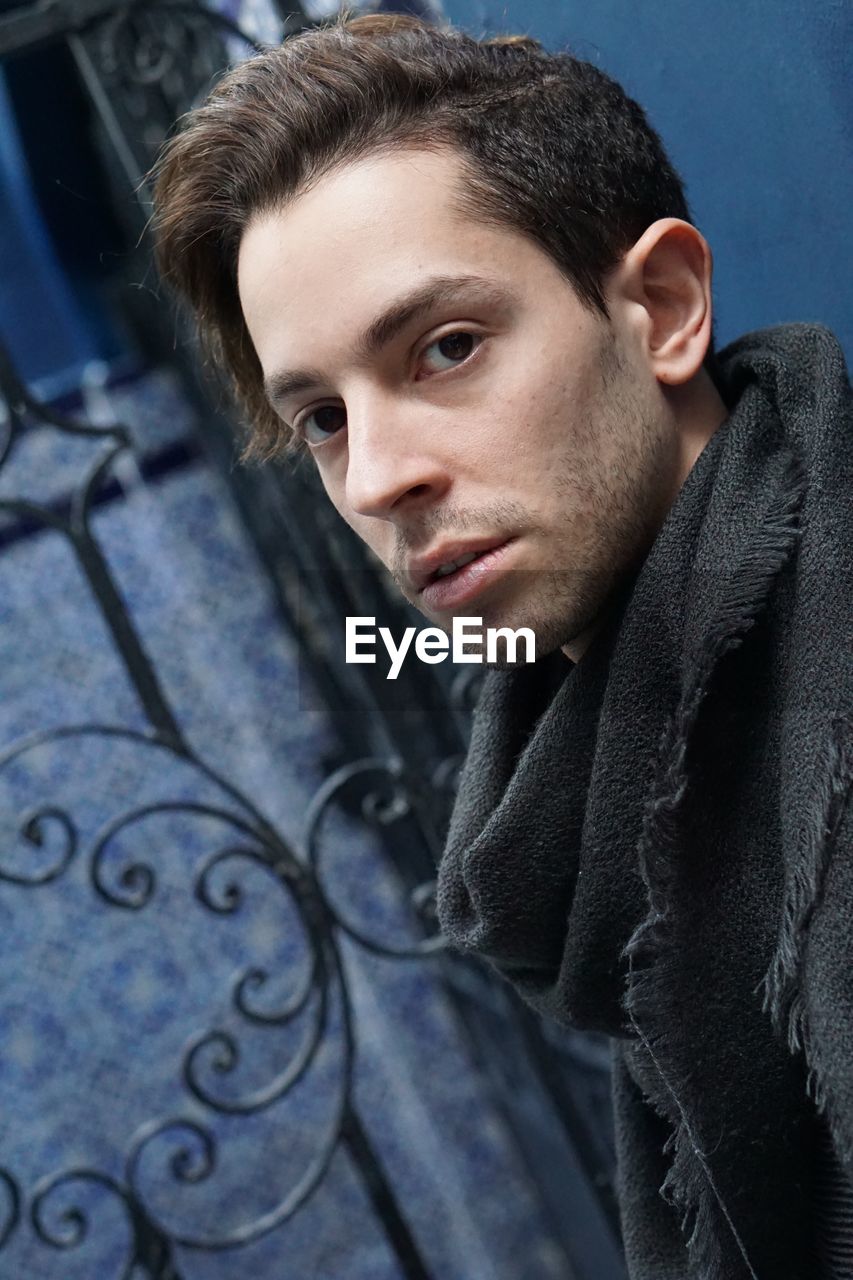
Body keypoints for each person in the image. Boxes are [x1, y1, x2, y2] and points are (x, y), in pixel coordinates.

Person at [150, 13, 852, 1278]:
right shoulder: (600, 817)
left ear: (661, 306)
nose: (374, 478)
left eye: (447, 348)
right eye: (319, 417)